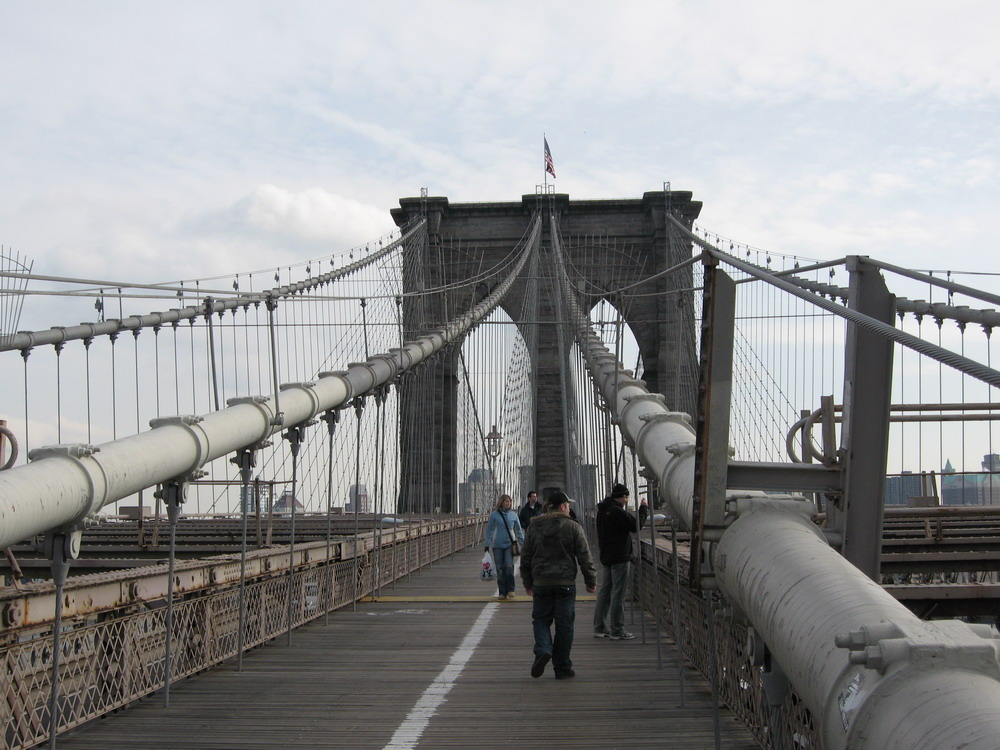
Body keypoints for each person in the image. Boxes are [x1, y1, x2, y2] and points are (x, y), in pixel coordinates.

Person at [520, 490, 597, 679]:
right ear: (563, 507)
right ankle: (562, 668)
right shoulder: (573, 527)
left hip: (541, 582)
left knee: (540, 619)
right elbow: (584, 556)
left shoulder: (534, 527)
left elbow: (526, 557)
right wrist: (590, 580)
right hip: (565, 583)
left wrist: (527, 581)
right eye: (568, 505)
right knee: (565, 625)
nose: (569, 508)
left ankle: (543, 649)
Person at [593, 482, 648, 640]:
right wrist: (643, 509)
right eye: (626, 497)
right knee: (618, 592)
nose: (627, 500)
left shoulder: (602, 511)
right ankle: (617, 629)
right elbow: (635, 525)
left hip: (606, 556)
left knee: (605, 591)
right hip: (620, 557)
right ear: (622, 497)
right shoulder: (616, 511)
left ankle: (600, 627)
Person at [484, 494, 525, 600]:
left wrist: (523, 544)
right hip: (497, 545)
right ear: (501, 502)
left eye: (510, 502)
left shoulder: (514, 515)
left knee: (509, 566)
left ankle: (511, 589)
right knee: (500, 569)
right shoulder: (494, 515)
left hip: (509, 545)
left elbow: (519, 531)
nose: (509, 503)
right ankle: (502, 592)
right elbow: (490, 530)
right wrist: (487, 544)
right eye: (507, 501)